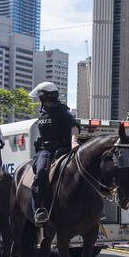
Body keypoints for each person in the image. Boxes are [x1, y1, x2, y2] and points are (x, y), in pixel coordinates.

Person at [28, 81, 79, 225]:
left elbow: (74, 126)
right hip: (45, 151)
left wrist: (74, 142)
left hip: (63, 149)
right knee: (41, 172)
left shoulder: (62, 111)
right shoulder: (42, 112)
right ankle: (39, 209)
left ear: (44, 98)